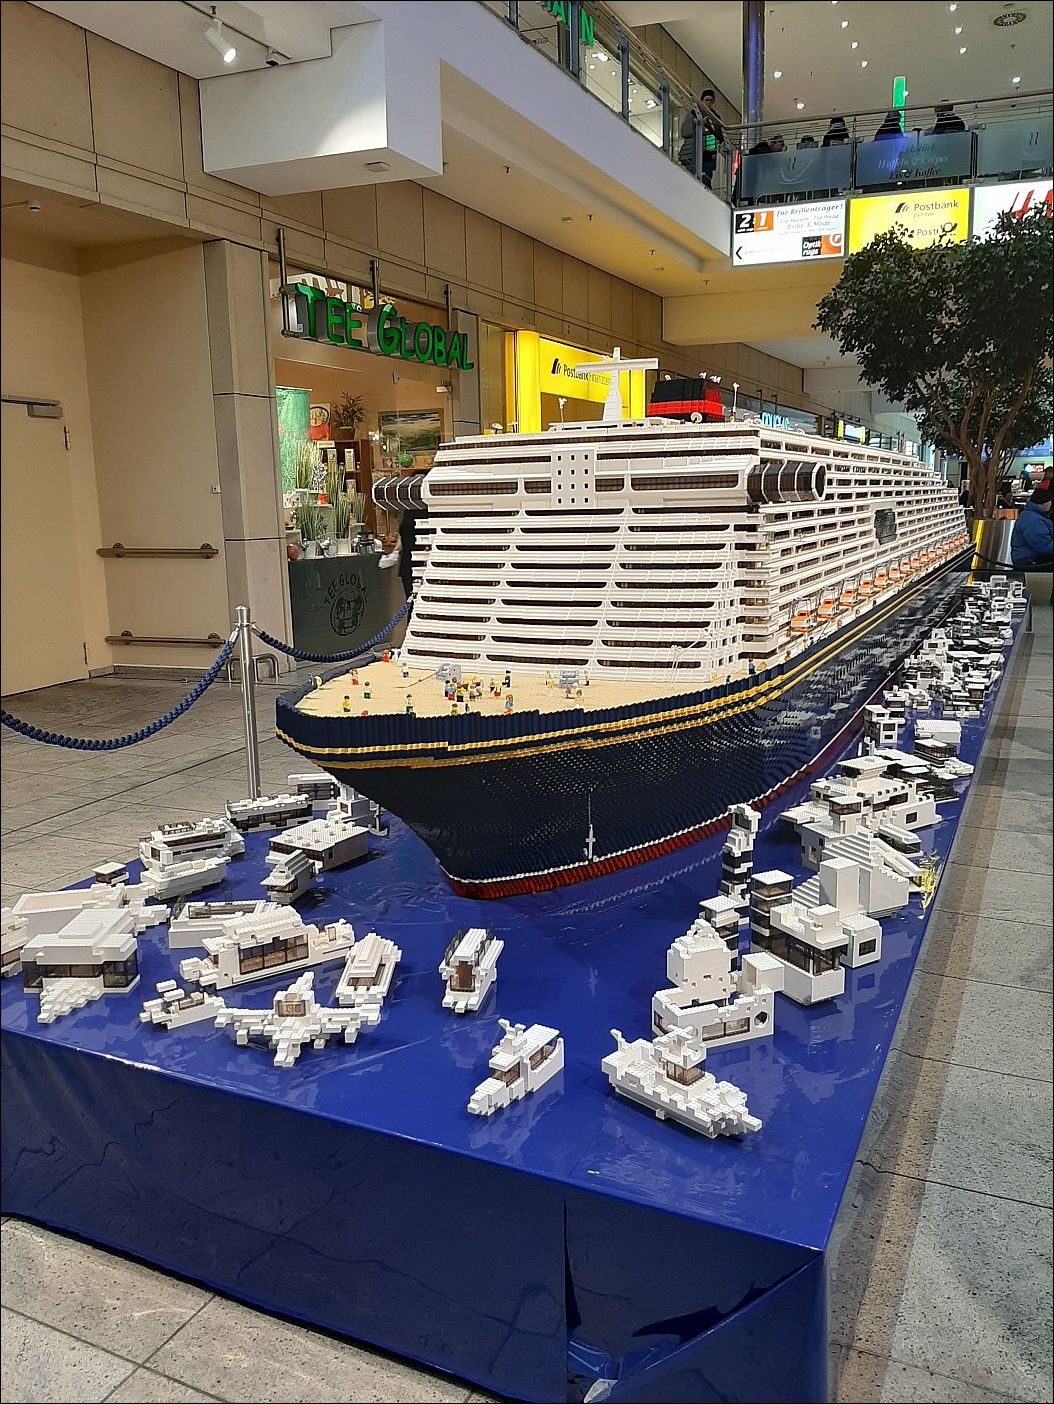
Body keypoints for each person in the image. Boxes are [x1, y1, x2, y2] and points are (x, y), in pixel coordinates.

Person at [678, 89, 724, 188]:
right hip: (692, 151)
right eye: (706, 100)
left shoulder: (715, 117)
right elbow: (685, 132)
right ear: (702, 101)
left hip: (709, 151)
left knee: (706, 180)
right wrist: (704, 127)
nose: (708, 102)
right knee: (690, 180)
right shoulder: (694, 114)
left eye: (711, 100)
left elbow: (720, 136)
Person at [378, 510, 417, 606]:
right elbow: (401, 538)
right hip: (407, 563)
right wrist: (394, 553)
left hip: (420, 562)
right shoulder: (407, 512)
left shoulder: (426, 513)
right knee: (411, 601)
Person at [1010, 484, 1054, 569]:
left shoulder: (1033, 516)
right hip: (1031, 561)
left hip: (1029, 559)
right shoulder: (1033, 519)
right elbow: (1042, 545)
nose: (1051, 504)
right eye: (1050, 501)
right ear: (1044, 503)